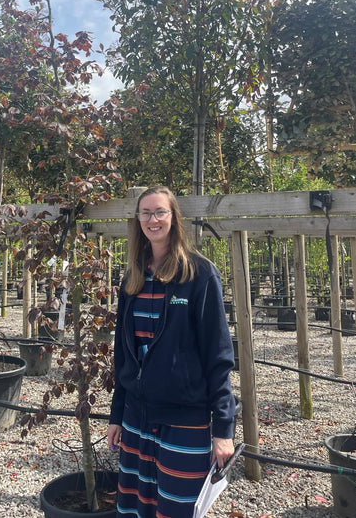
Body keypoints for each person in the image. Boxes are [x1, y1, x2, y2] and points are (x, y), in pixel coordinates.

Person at [107, 186, 235, 517]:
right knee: (137, 507)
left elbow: (218, 356)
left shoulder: (199, 274)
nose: (153, 219)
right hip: (137, 415)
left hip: (184, 418)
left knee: (176, 508)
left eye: (160, 212)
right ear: (137, 220)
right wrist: (117, 415)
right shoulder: (133, 277)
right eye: (146, 213)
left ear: (173, 217)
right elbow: (124, 353)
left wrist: (223, 430)